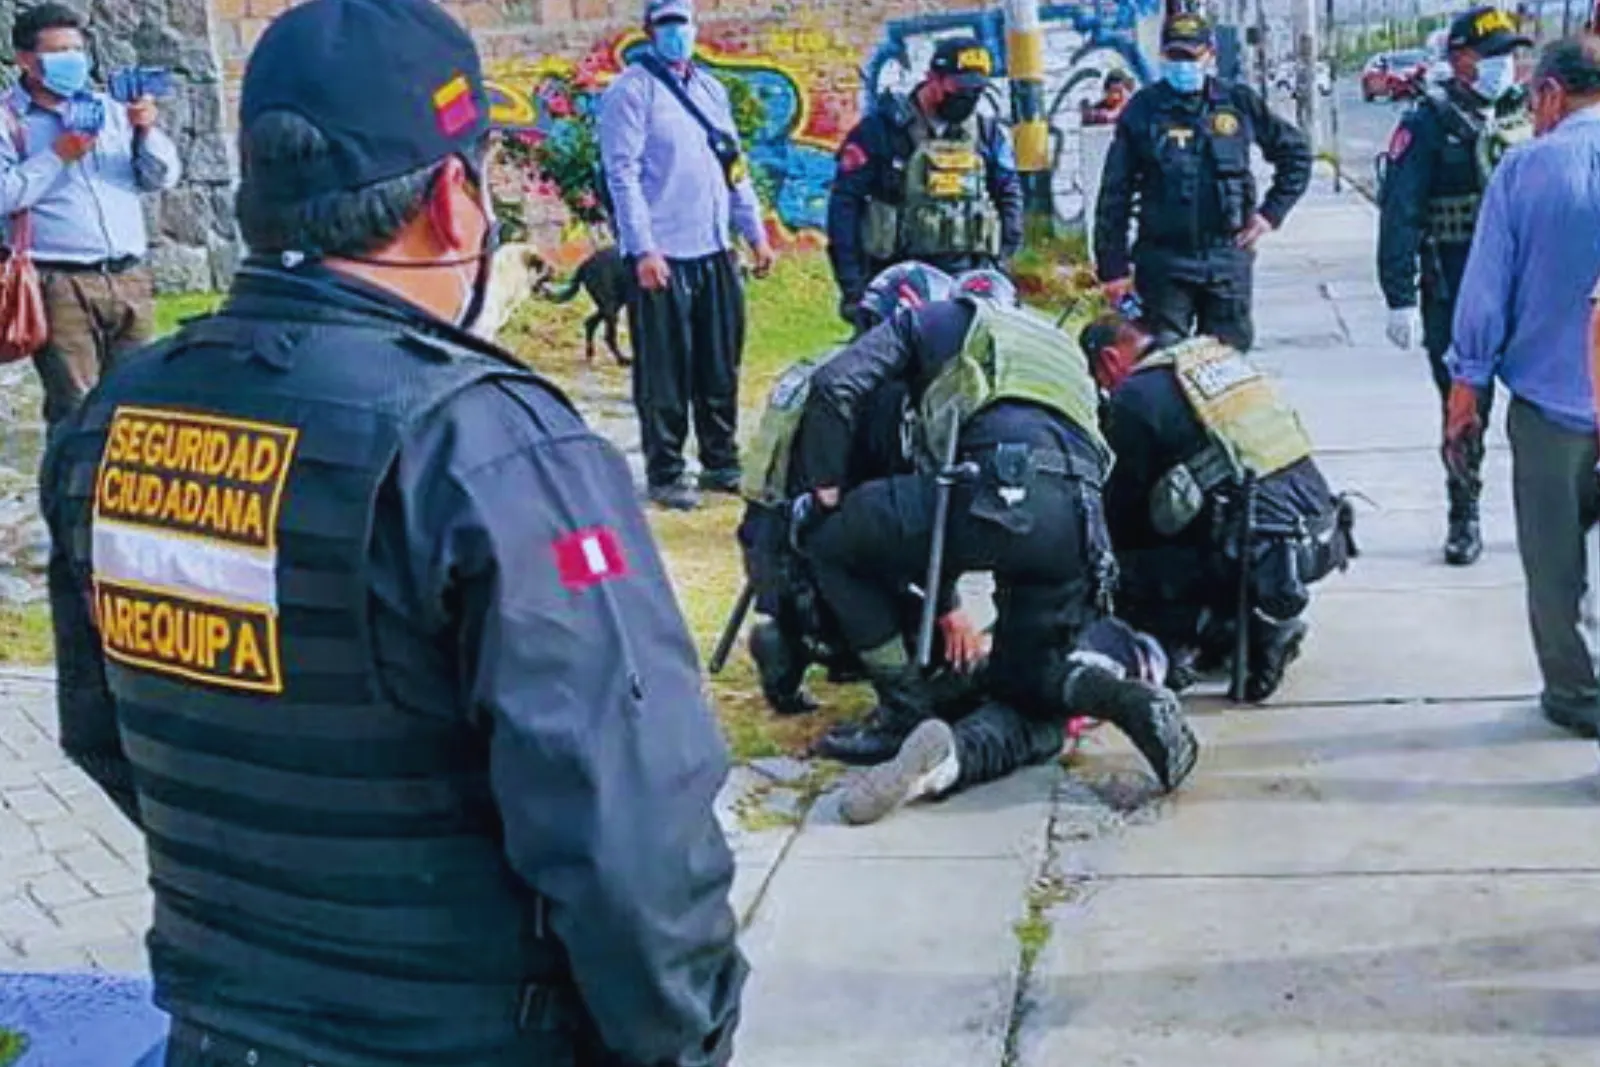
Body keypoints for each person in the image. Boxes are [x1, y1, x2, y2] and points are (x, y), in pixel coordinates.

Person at [40, 2, 747, 1065]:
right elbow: (631, 833)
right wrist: (685, 1041)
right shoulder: (492, 451)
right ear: (456, 200)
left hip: (226, 1027)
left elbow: (104, 731)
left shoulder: (115, 417)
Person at [787, 278, 1199, 800]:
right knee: (1030, 680)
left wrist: (826, 489)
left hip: (988, 489)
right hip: (1076, 519)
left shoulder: (933, 321)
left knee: (831, 542)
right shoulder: (1059, 348)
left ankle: (902, 712)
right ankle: (1125, 700)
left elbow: (835, 384)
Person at [1446, 34, 1600, 739]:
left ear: (1552, 94)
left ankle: (1575, 693)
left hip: (1551, 407)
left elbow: (1486, 290)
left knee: (1553, 557)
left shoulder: (1524, 170)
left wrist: (1466, 389)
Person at [1080, 313, 1357, 701]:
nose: (1105, 389)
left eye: (1099, 378)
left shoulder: (1136, 395)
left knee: (1115, 569)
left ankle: (1252, 634)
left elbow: (1121, 510)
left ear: (1110, 360)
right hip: (1321, 534)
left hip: (1262, 556)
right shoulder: (1214, 358)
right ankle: (1227, 634)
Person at [738, 261, 959, 713]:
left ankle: (791, 641)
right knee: (934, 641)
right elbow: (893, 512)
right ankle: (834, 651)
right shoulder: (884, 395)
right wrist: (946, 604)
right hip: (817, 565)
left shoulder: (819, 367)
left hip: (766, 549)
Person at [599, 0, 777, 511]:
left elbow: (733, 167)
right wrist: (643, 248)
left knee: (719, 363)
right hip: (663, 254)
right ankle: (667, 470)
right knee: (665, 371)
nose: (677, 32)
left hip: (714, 247)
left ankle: (721, 461)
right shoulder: (631, 91)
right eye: (666, 24)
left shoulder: (711, 90)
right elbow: (622, 175)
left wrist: (755, 232)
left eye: (683, 22)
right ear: (648, 30)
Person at [1377, 5, 1533, 567]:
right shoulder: (1427, 122)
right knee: (1464, 407)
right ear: (1459, 58)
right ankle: (1463, 514)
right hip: (1458, 286)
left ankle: (1555, 513)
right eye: (1490, 56)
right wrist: (1399, 295)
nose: (1502, 66)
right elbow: (1400, 212)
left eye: (1509, 55)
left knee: (1546, 408)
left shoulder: (1529, 114)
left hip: (1526, 286)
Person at [1, 1, 181, 431]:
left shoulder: (111, 109)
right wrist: (58, 154)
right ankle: (73, 475)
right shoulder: (8, 120)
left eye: (77, 50)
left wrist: (146, 129)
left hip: (129, 276)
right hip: (59, 282)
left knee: (139, 403)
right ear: (25, 59)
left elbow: (161, 177)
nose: (72, 60)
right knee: (76, 409)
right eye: (58, 51)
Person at [1094, 11, 1311, 353]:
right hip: (1164, 263)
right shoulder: (1143, 111)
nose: (1183, 65)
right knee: (1162, 363)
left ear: (1209, 55)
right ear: (1163, 55)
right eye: (1175, 56)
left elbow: (1296, 154)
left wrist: (1270, 214)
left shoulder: (1237, 102)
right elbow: (1114, 195)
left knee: (1228, 365)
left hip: (1226, 258)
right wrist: (1113, 269)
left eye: (1191, 56)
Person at [825, 36, 1024, 329]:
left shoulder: (987, 133)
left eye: (977, 90)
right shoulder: (880, 131)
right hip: (896, 279)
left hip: (967, 277)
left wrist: (1000, 263)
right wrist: (853, 287)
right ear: (932, 78)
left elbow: (1009, 195)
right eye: (959, 88)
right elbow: (844, 205)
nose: (968, 97)